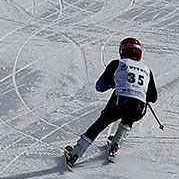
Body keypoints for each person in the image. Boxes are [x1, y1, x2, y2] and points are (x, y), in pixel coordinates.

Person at [64, 37, 158, 166]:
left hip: (120, 105)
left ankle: (76, 152)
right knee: (134, 105)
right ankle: (116, 142)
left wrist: (114, 83)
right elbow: (153, 97)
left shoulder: (118, 63)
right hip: (139, 110)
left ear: (122, 51)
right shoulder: (147, 70)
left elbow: (100, 87)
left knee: (101, 123)